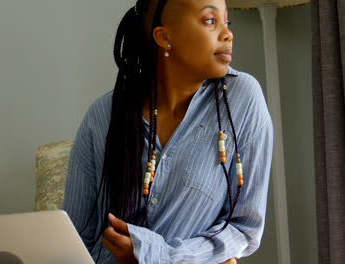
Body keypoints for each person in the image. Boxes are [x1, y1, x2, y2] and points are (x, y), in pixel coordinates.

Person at [61, 0, 273, 263]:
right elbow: (74, 236)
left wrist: (158, 256)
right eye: (210, 21)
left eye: (227, 23)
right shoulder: (103, 115)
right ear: (164, 37)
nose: (227, 34)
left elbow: (244, 228)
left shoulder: (242, 99)